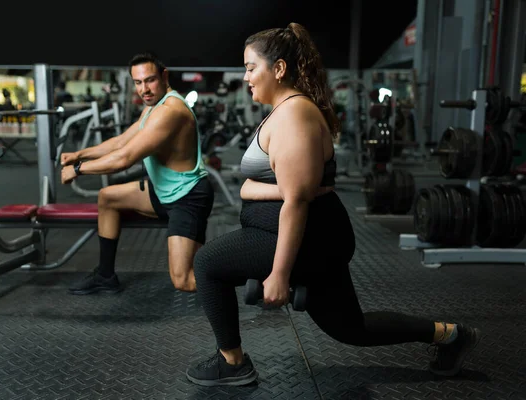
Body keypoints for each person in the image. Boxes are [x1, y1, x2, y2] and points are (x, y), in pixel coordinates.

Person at [185, 22, 481, 387]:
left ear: (278, 69)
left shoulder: (295, 115)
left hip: (310, 238)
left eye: (250, 67)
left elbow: (296, 201)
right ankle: (450, 335)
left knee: (207, 262)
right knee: (351, 328)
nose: (245, 76)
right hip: (306, 233)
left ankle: (232, 364)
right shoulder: (283, 110)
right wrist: (256, 191)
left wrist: (279, 273)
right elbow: (290, 189)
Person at [60, 53, 214, 295]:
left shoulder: (170, 111)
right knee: (107, 197)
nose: (144, 89)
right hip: (161, 192)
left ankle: (250, 283)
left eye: (150, 80)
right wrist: (79, 154)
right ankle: (105, 275)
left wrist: (79, 170)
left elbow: (125, 158)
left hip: (187, 198)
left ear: (164, 76)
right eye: (138, 82)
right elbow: (122, 141)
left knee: (182, 280)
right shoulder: (153, 106)